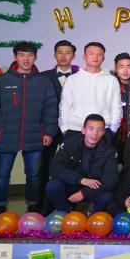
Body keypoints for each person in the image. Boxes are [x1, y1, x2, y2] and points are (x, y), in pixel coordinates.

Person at [0, 41, 59, 214]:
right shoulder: (2, 80)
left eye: (30, 55)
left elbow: (51, 109)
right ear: (15, 57)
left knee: (34, 175)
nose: (26, 59)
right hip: (6, 136)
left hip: (35, 136)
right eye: (22, 55)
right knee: (2, 175)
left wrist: (49, 132)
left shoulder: (43, 82)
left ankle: (32, 207)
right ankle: (1, 207)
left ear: (35, 57)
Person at [45, 114, 119, 213]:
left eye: (100, 130)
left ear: (103, 132)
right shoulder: (70, 143)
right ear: (83, 130)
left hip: (94, 188)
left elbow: (111, 180)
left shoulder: (109, 151)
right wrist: (80, 179)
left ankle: (92, 214)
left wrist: (84, 193)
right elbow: (54, 168)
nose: (95, 133)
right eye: (91, 129)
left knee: (108, 196)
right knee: (53, 186)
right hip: (72, 183)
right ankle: (66, 211)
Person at [58, 42, 122, 139]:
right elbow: (65, 105)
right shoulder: (72, 79)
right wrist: (65, 129)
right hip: (75, 129)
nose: (95, 57)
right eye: (91, 53)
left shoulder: (111, 80)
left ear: (103, 58)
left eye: (99, 54)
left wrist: (113, 129)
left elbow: (116, 106)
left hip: (102, 130)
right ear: (84, 56)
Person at [38, 40, 78, 194]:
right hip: (48, 128)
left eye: (68, 53)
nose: (63, 56)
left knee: (70, 163)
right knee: (45, 163)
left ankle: (68, 198)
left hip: (72, 127)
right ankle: (42, 200)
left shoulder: (81, 76)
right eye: (60, 52)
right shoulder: (43, 77)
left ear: (73, 56)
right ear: (54, 55)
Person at [112, 52, 130, 163]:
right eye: (121, 67)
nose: (125, 70)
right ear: (115, 68)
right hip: (112, 128)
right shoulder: (110, 84)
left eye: (129, 67)